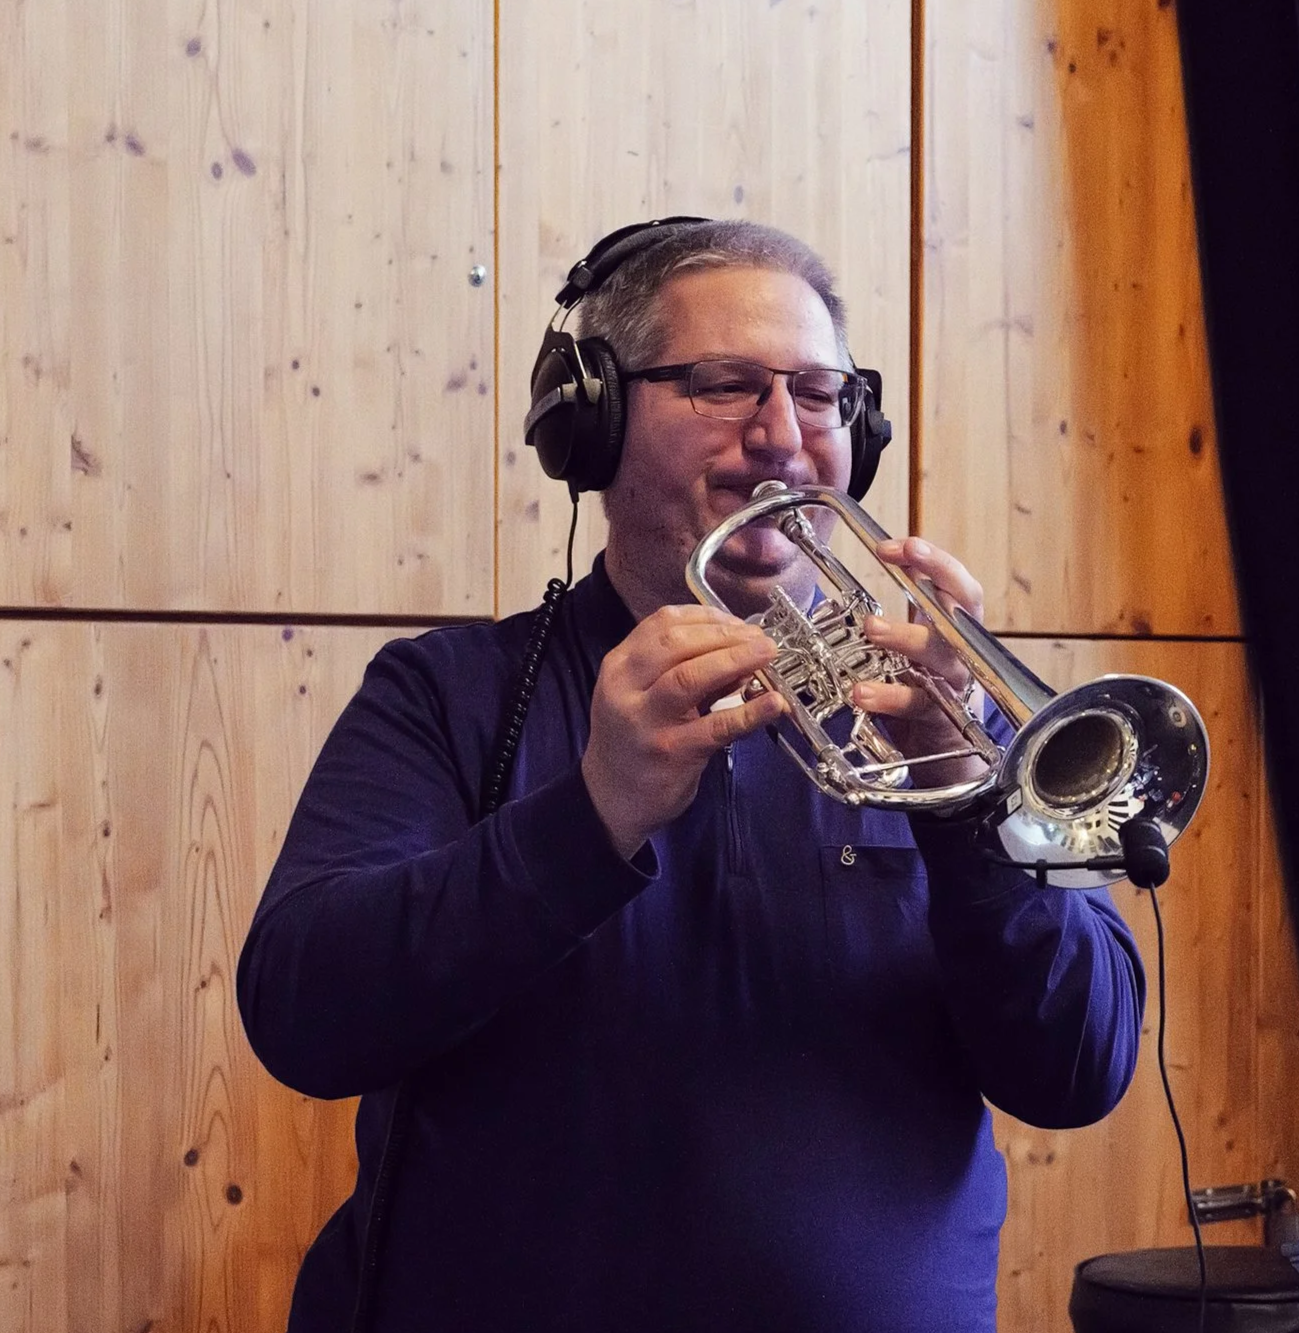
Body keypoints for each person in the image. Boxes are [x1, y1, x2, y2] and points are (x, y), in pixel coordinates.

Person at [237, 218, 1146, 1332]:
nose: (782, 436)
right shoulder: (449, 692)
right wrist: (589, 817)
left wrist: (968, 800)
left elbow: (1078, 1068)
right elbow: (301, 1015)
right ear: (594, 422)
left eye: (819, 395)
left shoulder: (940, 714)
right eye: (723, 386)